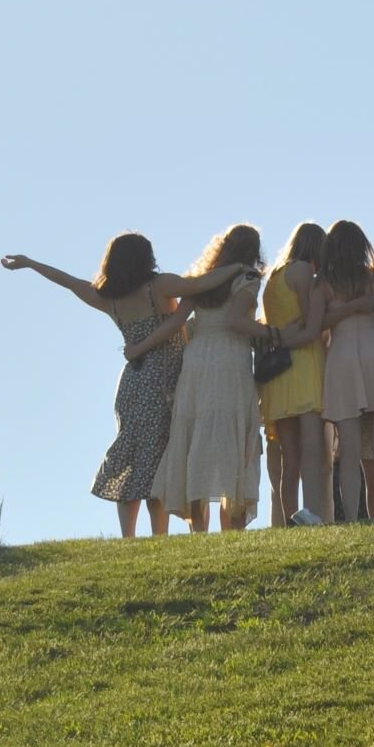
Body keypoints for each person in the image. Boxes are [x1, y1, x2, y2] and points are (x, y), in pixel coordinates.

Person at [2, 237, 246, 537]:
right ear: (147, 258)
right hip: (163, 380)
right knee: (157, 461)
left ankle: (128, 536)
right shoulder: (160, 287)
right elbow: (201, 284)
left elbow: (67, 281)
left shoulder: (108, 298)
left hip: (132, 382)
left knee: (132, 456)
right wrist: (237, 266)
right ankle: (159, 536)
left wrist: (30, 263)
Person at [154, 224, 274, 530]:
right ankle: (231, 528)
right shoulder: (247, 279)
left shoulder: (202, 281)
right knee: (230, 439)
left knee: (196, 437)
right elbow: (236, 321)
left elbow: (179, 322)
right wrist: (267, 332)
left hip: (197, 359)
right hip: (230, 359)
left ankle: (198, 527)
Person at [316, 220, 374, 522]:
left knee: (349, 450)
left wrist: (343, 310)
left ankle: (351, 518)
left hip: (341, 358)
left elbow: (317, 326)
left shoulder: (323, 285)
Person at [259, 222, 331, 526]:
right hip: (304, 364)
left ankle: (291, 518)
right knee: (312, 448)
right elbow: (311, 324)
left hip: (279, 369)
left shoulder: (275, 276)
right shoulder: (304, 272)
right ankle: (314, 513)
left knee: (289, 456)